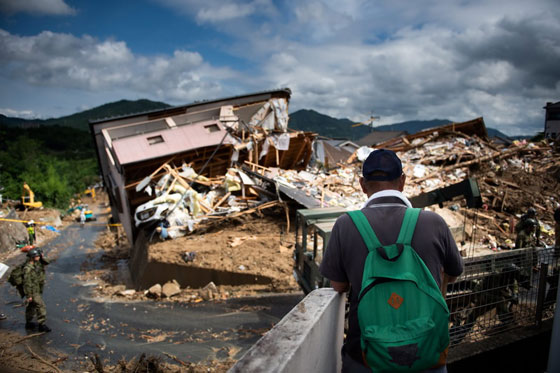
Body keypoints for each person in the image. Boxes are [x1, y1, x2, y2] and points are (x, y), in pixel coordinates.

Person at [320, 149, 464, 372]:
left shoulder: (345, 224)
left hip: (366, 356)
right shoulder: (433, 222)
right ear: (403, 181)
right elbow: (454, 274)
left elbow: (338, 285)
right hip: (426, 353)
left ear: (362, 184)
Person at [22, 248, 51, 332]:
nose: (38, 257)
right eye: (37, 256)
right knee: (41, 306)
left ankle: (28, 323)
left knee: (31, 306)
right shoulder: (28, 268)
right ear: (32, 257)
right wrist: (29, 295)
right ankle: (42, 325)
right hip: (33, 291)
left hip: (37, 288)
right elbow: (27, 283)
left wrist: (42, 257)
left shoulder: (37, 263)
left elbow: (47, 262)